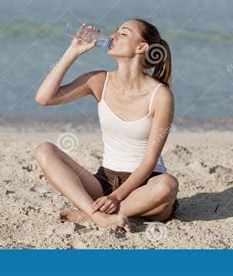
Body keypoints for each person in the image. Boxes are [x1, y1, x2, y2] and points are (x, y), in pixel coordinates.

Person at [34, 19, 179, 230]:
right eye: (116, 31)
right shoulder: (99, 80)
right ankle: (99, 217)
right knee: (44, 151)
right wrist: (73, 52)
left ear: (141, 47)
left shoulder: (160, 96)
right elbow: (44, 98)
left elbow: (150, 160)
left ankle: (88, 215)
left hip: (144, 185)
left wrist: (117, 197)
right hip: (104, 181)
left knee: (168, 185)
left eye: (124, 33)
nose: (113, 36)